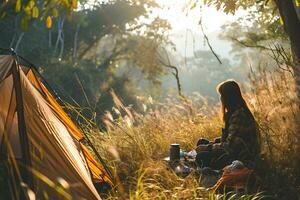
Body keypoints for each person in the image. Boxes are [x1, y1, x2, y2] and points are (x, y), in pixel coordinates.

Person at [196, 80, 260, 170]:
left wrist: (208, 148)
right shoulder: (235, 112)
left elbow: (230, 147)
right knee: (201, 142)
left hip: (240, 159)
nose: (221, 99)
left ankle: (212, 169)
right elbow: (229, 139)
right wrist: (210, 144)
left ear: (228, 98)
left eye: (222, 96)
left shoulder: (239, 115)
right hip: (234, 152)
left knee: (201, 157)